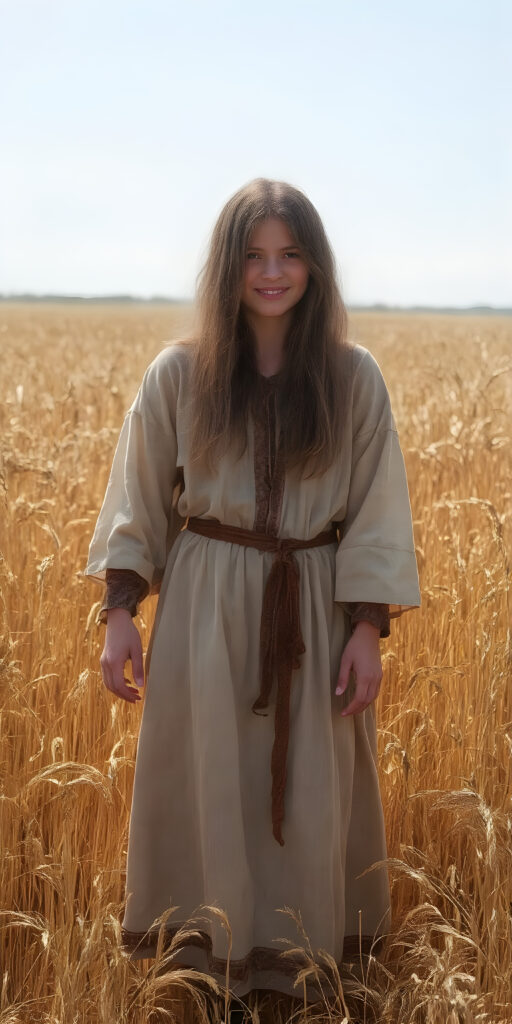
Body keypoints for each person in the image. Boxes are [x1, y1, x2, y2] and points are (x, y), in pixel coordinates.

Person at [84, 179, 420, 1009]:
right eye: (254, 256)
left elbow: (378, 509)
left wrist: (367, 626)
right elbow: (137, 495)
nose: (272, 273)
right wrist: (121, 613)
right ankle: (203, 972)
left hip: (309, 612)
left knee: (309, 794)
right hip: (201, 616)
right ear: (227, 268)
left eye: (290, 255)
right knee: (205, 785)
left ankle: (296, 976)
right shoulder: (179, 374)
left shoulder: (353, 377)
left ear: (314, 266)